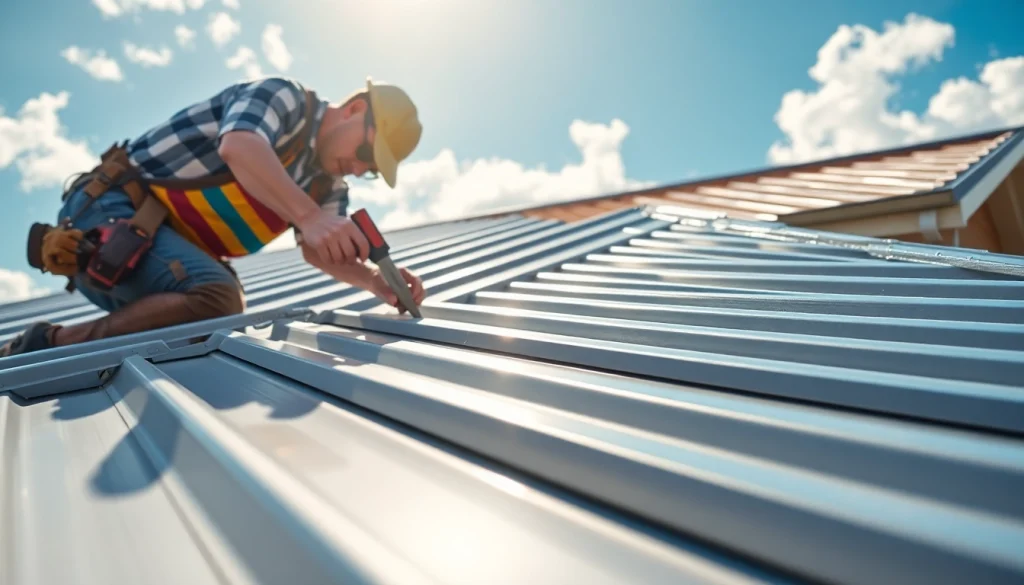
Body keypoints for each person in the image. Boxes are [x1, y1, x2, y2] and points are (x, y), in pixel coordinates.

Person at [0, 76, 426, 357]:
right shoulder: (286, 98)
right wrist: (312, 217)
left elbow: (319, 250)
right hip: (113, 211)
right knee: (218, 298)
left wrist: (373, 280)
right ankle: (46, 344)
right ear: (354, 109)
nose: (356, 168)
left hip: (155, 245)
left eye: (368, 169)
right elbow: (239, 145)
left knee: (221, 310)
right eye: (366, 153)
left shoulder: (326, 184)